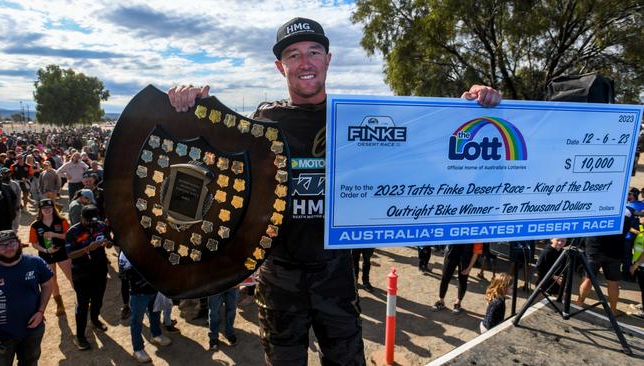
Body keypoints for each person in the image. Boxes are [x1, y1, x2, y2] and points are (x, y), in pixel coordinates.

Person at [169, 17, 501, 365]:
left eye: (314, 52)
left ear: (328, 59)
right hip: (279, 275)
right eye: (294, 55)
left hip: (336, 273)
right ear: (280, 66)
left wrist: (467, 106)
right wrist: (187, 103)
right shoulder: (264, 121)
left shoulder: (357, 119)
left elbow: (428, 144)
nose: (305, 62)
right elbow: (209, 160)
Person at [0, 230, 53, 366]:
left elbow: (47, 285)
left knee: (30, 362)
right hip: (0, 335)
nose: (8, 248)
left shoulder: (35, 262)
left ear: (19, 243)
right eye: (2, 246)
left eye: (11, 243)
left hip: (32, 330)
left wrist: (41, 311)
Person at [65, 205, 111, 350]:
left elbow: (108, 242)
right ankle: (80, 337)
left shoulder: (101, 226)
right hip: (82, 273)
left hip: (100, 269)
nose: (91, 224)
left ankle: (95, 319)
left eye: (93, 221)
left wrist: (108, 243)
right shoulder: (73, 232)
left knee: (98, 298)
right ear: (81, 218)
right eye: (88, 221)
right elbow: (70, 254)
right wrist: (87, 249)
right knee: (83, 304)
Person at [118, 251, 172, 363]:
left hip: (154, 288)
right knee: (137, 320)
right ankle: (138, 349)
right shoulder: (126, 250)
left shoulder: (150, 243)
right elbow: (124, 274)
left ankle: (156, 334)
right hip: (138, 292)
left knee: (155, 312)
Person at [576, 209, 630, 315]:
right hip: (614, 252)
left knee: (588, 278)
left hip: (595, 249)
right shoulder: (626, 211)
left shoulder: (598, 207)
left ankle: (579, 303)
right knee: (613, 282)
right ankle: (613, 310)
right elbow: (626, 230)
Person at [28, 199, 73, 316]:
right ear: (40, 210)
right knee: (52, 280)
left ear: (54, 208)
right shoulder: (35, 225)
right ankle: (59, 304)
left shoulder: (62, 220)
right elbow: (33, 243)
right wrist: (46, 250)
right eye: (44, 208)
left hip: (63, 253)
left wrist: (54, 234)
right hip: (46, 255)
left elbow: (69, 236)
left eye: (49, 208)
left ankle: (82, 299)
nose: (47, 210)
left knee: (71, 276)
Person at [432, 243, 483, 313]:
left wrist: (469, 268)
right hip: (451, 254)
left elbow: (476, 252)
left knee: (463, 280)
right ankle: (441, 301)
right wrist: (446, 255)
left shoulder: (476, 233)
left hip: (466, 257)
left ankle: (458, 303)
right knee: (445, 278)